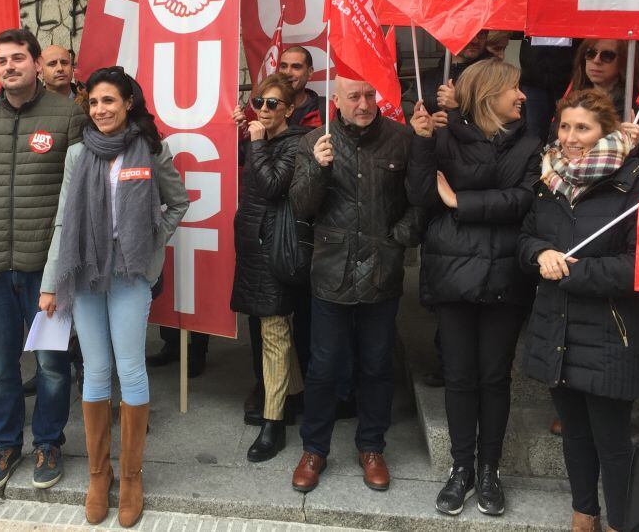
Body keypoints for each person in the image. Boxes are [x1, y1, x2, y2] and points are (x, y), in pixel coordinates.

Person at [38, 66, 188, 527]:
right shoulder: (78, 153)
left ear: (128, 104)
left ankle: (133, 476)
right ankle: (99, 475)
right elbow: (64, 219)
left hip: (130, 274)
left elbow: (178, 202)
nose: (101, 109)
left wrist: (150, 238)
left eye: (110, 101)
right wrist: (49, 283)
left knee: (131, 368)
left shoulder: (150, 150)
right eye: (95, 102)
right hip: (82, 272)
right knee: (97, 370)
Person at [0, 28, 86, 492]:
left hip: (46, 270)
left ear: (36, 63)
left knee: (51, 365)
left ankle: (48, 441)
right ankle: (6, 443)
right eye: (1, 60)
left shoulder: (68, 115)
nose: (9, 67)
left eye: (18, 58)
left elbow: (80, 195)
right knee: (0, 366)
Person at [408, 59, 541, 516]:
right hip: (453, 274)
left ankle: (489, 470)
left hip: (506, 277)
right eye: (513, 89)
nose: (522, 96)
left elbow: (523, 201)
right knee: (460, 378)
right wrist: (423, 143)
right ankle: (461, 469)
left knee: (494, 377)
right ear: (487, 94)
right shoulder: (443, 136)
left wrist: (459, 201)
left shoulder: (530, 144)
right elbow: (421, 195)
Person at [519, 89, 639, 532]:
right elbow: (526, 238)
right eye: (565, 126)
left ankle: (619, 521)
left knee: (612, 442)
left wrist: (572, 273)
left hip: (609, 336)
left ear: (606, 132)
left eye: (583, 128)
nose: (572, 137)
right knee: (574, 436)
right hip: (556, 329)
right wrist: (539, 254)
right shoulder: (548, 179)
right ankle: (584, 515)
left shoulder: (635, 184)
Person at [288, 75, 425, 494]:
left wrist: (400, 237)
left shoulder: (403, 139)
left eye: (369, 95)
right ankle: (314, 449)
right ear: (337, 100)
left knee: (377, 364)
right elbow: (301, 205)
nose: (364, 103)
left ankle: (371, 446)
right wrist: (317, 167)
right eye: (354, 96)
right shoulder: (314, 140)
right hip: (331, 271)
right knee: (324, 365)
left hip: (382, 272)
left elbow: (420, 202)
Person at [230, 73, 308, 463]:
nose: (263, 108)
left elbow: (274, 186)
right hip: (254, 245)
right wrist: (248, 137)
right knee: (269, 325)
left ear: (290, 110)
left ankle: (273, 422)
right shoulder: (262, 138)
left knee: (274, 329)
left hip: (274, 248)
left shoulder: (296, 144)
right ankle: (293, 396)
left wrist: (257, 142)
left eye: (272, 103)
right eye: (259, 101)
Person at [563, 38, 639, 177]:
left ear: (624, 62)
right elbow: (552, 146)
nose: (596, 60)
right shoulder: (570, 101)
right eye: (590, 53)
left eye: (607, 56)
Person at [417, 29, 489, 117]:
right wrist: (426, 122)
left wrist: (458, 108)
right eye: (468, 32)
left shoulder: (495, 77)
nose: (475, 40)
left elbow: (498, 122)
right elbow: (407, 107)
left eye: (481, 34)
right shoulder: (427, 77)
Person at [279, 46, 325, 128]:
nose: (288, 73)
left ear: (310, 72)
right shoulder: (265, 106)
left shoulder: (327, 109)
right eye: (283, 66)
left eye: (296, 67)